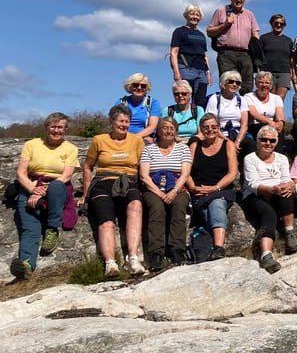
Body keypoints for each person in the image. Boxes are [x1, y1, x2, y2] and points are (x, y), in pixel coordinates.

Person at [78, 105, 146, 277]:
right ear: (111, 122)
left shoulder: (136, 140)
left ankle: (133, 258)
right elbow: (88, 166)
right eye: (120, 121)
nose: (124, 125)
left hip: (128, 181)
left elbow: (141, 166)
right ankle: (111, 263)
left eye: (127, 121)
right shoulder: (99, 140)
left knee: (136, 205)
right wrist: (86, 194)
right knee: (107, 221)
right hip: (103, 182)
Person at [10, 112, 79, 280]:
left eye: (60, 127)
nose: (56, 130)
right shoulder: (31, 145)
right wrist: (33, 190)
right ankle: (26, 265)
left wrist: (44, 189)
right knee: (30, 228)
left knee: (56, 185)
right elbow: (21, 172)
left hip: (57, 188)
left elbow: (66, 176)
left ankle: (52, 229)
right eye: (53, 126)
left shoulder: (71, 148)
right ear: (46, 127)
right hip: (31, 185)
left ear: (65, 129)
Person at [241, 125, 297, 273]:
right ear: (258, 141)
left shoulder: (282, 158)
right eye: (264, 140)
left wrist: (289, 184)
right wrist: (271, 189)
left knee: (287, 194)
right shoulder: (250, 158)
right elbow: (253, 183)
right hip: (256, 194)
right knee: (268, 213)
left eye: (272, 140)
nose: (268, 143)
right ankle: (266, 255)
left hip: (276, 191)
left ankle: (289, 232)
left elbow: (285, 177)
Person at [139, 117, 191, 271]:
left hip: (176, 186)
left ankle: (177, 249)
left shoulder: (183, 149)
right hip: (153, 188)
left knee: (180, 204)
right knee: (156, 208)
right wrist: (160, 194)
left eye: (172, 128)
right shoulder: (149, 149)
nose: (169, 131)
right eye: (165, 128)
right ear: (159, 130)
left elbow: (185, 174)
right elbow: (144, 176)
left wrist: (174, 191)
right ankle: (156, 252)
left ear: (176, 131)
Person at [186, 113, 238, 260]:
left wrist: (216, 188)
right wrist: (192, 187)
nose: (210, 130)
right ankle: (210, 249)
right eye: (206, 127)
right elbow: (186, 171)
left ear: (219, 128)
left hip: (221, 190)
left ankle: (218, 248)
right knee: (208, 212)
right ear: (201, 129)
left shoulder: (228, 144)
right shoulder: (195, 145)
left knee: (216, 204)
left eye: (214, 127)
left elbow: (232, 173)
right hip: (199, 192)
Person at [207, 0, 260, 94]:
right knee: (228, 83)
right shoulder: (220, 11)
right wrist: (225, 25)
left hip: (245, 54)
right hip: (226, 53)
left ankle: (245, 109)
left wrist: (258, 52)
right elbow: (209, 31)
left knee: (247, 85)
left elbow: (255, 34)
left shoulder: (249, 14)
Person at [169, 4, 211, 107]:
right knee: (184, 97)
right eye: (192, 14)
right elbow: (174, 52)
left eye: (197, 15)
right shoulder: (179, 31)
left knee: (200, 100)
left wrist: (208, 72)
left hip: (201, 70)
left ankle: (197, 120)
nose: (195, 17)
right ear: (186, 16)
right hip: (186, 67)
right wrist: (176, 71)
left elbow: (205, 54)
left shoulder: (201, 35)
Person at [205, 71, 249, 154]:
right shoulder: (214, 99)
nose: (234, 84)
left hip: (237, 134)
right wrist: (229, 143)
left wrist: (237, 141)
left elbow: (244, 125)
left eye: (238, 83)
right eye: (231, 82)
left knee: (251, 145)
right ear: (223, 83)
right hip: (220, 134)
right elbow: (212, 124)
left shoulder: (241, 100)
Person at [245, 71, 286, 148]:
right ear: (256, 84)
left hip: (272, 125)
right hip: (255, 126)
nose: (264, 85)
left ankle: (278, 155)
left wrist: (280, 123)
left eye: (267, 83)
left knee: (280, 130)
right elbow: (254, 114)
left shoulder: (276, 98)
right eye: (261, 82)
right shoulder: (248, 97)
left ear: (271, 85)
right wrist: (270, 122)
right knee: (266, 129)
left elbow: (280, 114)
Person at [116, 73, 160, 143]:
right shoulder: (121, 103)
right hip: (122, 137)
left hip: (143, 138)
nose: (139, 88)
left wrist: (134, 138)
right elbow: (116, 124)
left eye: (143, 86)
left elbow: (152, 127)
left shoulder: (153, 103)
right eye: (135, 85)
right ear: (130, 86)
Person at [260, 13, 293, 99]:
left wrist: (293, 73)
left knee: (280, 98)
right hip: (268, 71)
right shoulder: (264, 38)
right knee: (270, 97)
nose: (278, 25)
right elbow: (259, 55)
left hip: (284, 72)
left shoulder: (288, 40)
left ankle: (279, 113)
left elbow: (292, 58)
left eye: (281, 24)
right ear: (271, 23)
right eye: (276, 23)